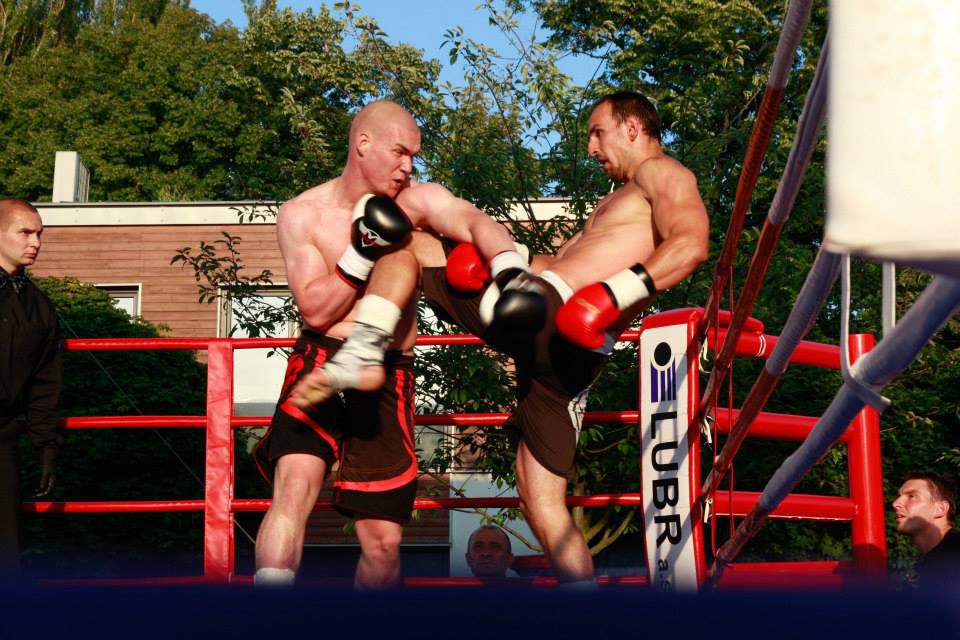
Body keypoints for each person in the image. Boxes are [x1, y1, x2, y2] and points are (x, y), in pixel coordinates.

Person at [297, 91, 709, 587]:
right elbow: (568, 265)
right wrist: (513, 259)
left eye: (598, 133)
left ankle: (362, 349)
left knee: (407, 240)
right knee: (540, 502)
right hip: (562, 352)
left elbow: (691, 244)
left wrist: (609, 297)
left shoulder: (663, 173)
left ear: (633, 128)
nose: (592, 148)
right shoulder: (617, 200)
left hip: (562, 318)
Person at [252, 100, 525, 589]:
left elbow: (475, 221)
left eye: (414, 156)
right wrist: (362, 252)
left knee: (382, 543)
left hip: (389, 370)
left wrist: (509, 268)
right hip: (322, 356)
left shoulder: (418, 202)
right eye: (400, 152)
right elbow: (315, 310)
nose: (408, 167)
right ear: (363, 144)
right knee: (293, 488)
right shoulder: (302, 214)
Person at [0, 198, 61, 576]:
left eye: (39, 234)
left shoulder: (39, 306)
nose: (35, 242)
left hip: (3, 439)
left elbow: (45, 381)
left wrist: (46, 445)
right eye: (25, 233)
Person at [893, 470, 960, 589]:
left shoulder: (954, 556)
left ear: (940, 509)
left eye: (911, 496)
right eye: (898, 496)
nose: (895, 503)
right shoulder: (933, 561)